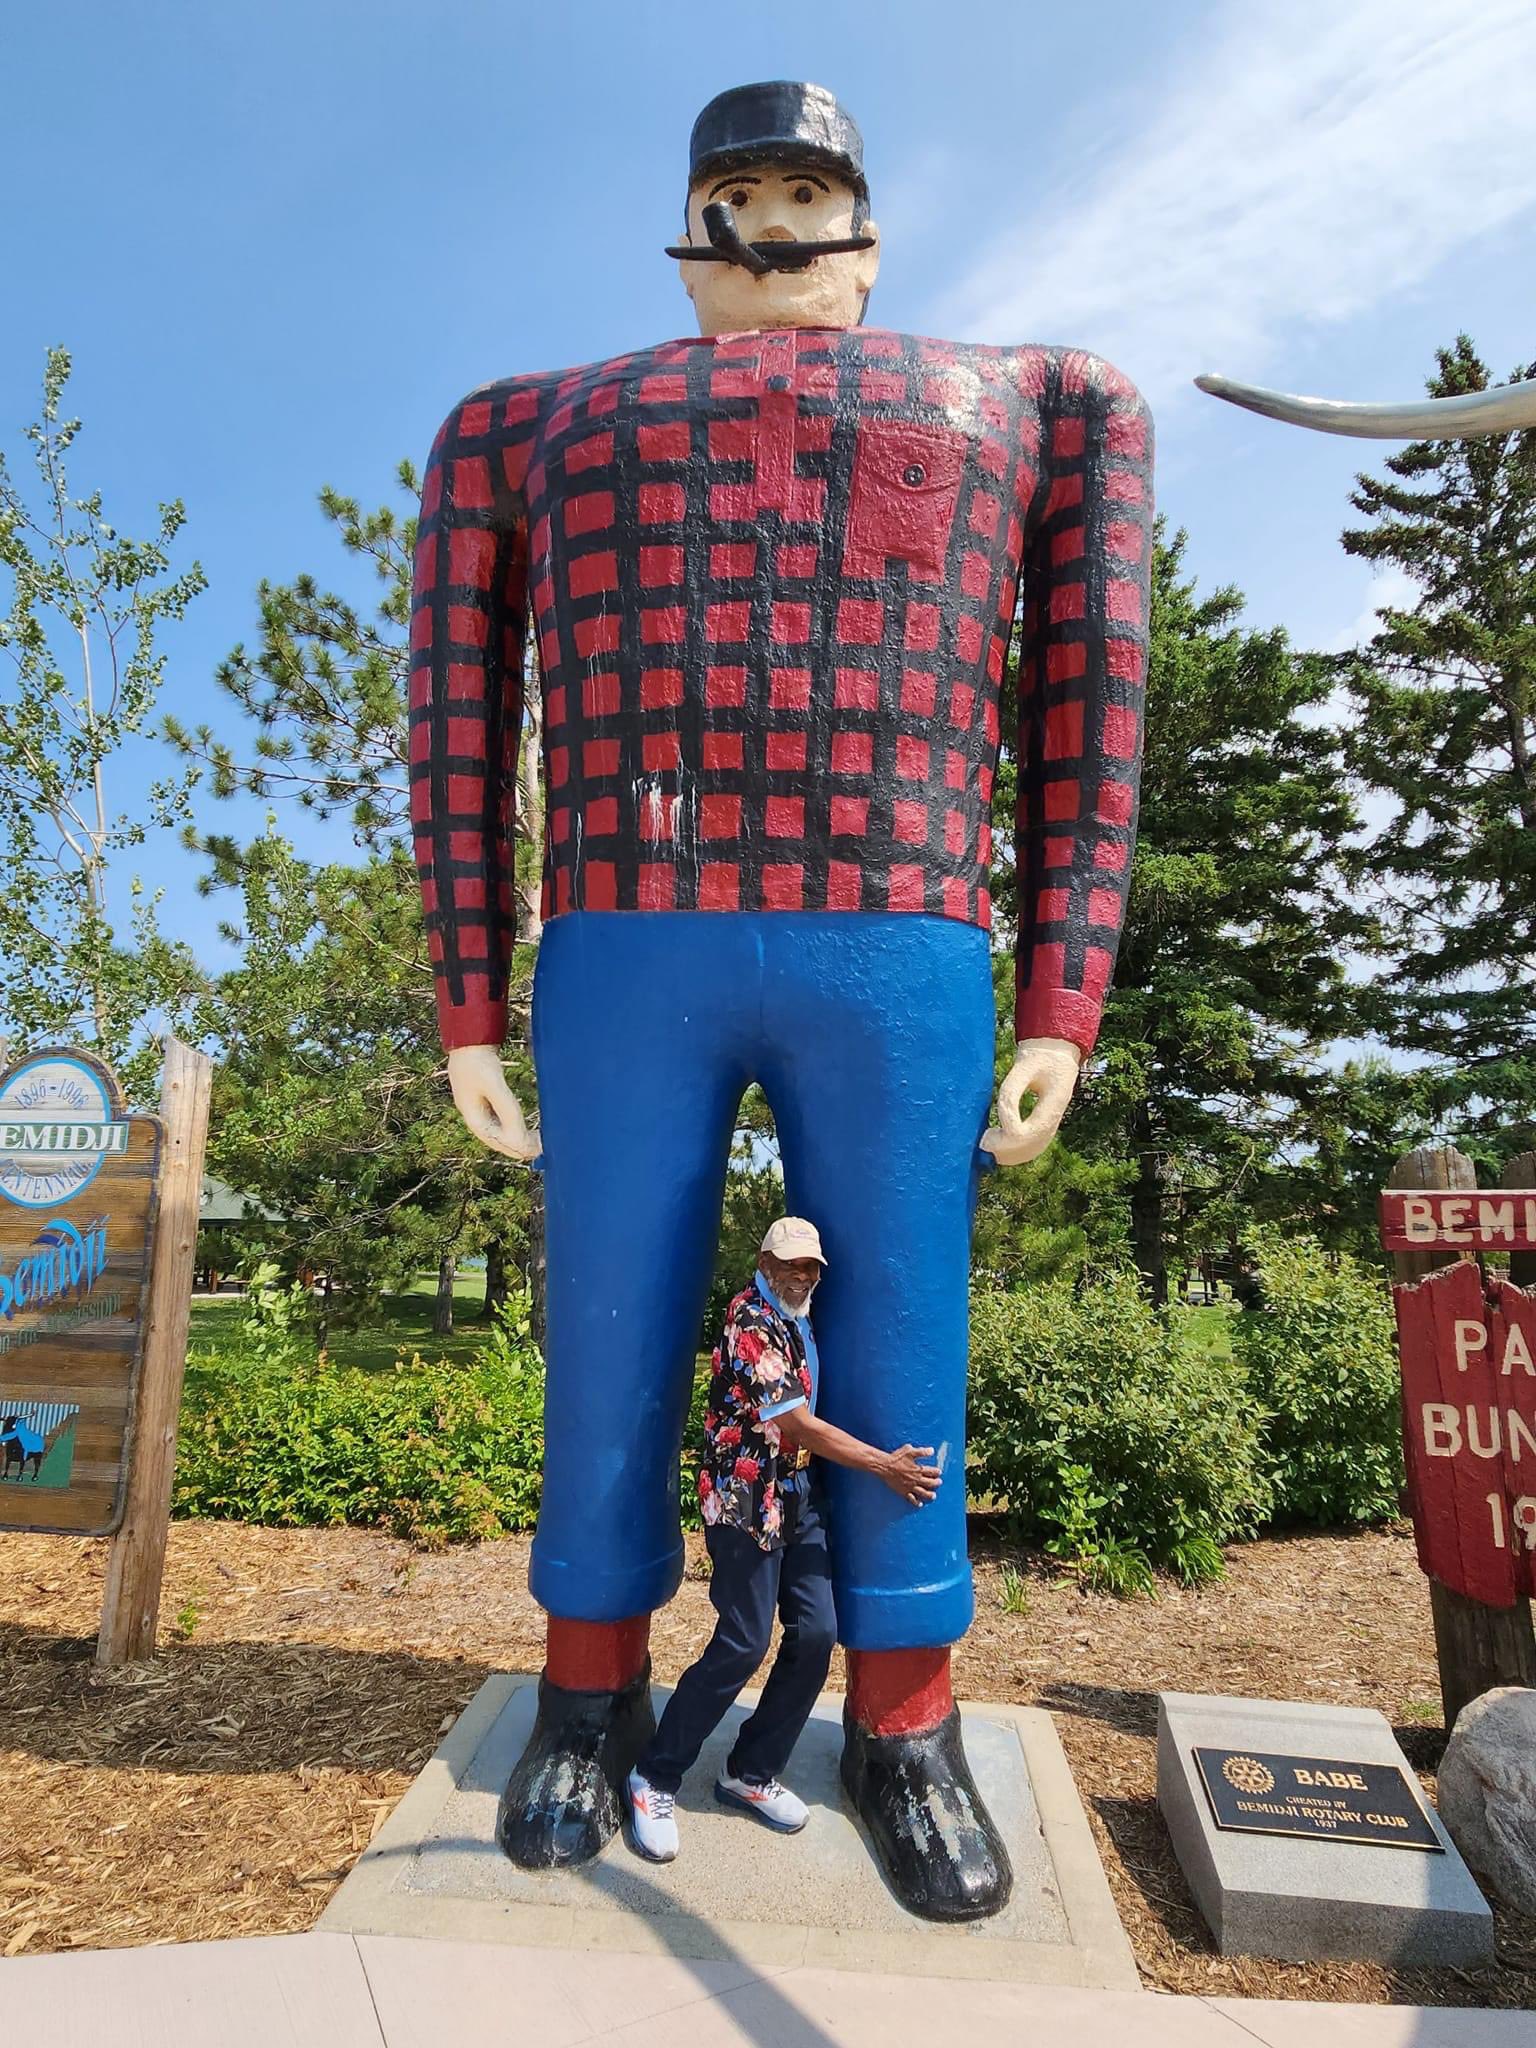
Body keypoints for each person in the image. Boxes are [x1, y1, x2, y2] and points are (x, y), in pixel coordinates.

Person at [410, 79, 1151, 1918]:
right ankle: (587, 1693)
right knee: (606, 1333)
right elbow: (453, 717)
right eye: (734, 190)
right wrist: (464, 996)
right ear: (689, 226)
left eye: (804, 186)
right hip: (625, 928)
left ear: (865, 229)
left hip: (895, 928)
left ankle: (906, 1719)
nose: (767, 221)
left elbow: (1091, 700)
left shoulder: (1036, 405)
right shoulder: (520, 428)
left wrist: (1061, 990)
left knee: (902, 1343)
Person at [625, 1217, 940, 1861]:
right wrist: (885, 1466)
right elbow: (795, 1421)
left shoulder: (800, 1317)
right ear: (765, 1262)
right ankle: (653, 1775)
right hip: (745, 1497)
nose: (802, 1275)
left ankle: (750, 1769)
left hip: (797, 1493)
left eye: (811, 1266)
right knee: (743, 1641)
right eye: (791, 1264)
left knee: (817, 1632)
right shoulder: (751, 1320)